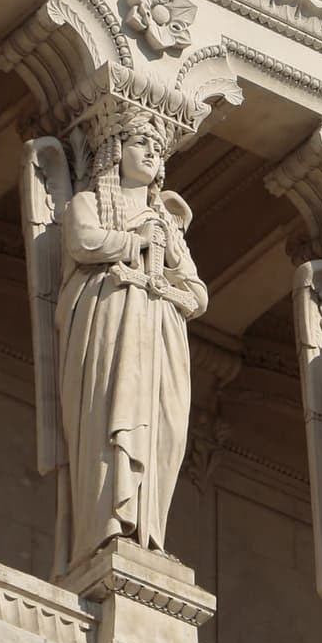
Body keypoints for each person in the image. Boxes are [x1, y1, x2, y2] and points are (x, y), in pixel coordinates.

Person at [55, 116, 206, 565]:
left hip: (159, 331)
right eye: (140, 142)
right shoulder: (91, 202)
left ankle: (147, 527)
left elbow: (198, 293)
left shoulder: (168, 226)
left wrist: (170, 285)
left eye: (156, 149)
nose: (150, 153)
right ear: (116, 152)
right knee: (114, 413)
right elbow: (83, 240)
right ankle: (108, 523)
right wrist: (133, 243)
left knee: (162, 426)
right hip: (115, 320)